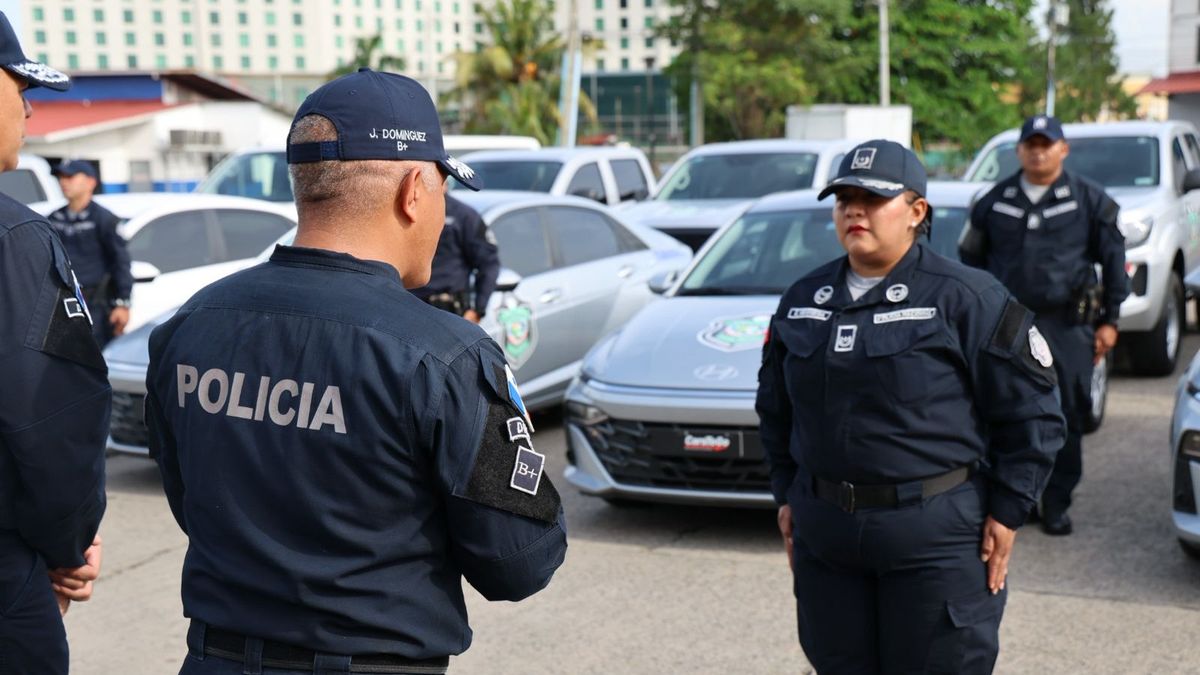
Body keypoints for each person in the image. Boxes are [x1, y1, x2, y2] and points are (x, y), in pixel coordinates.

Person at [145, 68, 567, 675]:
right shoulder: (444, 354)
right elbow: (520, 559)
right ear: (414, 191)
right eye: (444, 190)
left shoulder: (192, 324)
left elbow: (189, 499)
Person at [757, 140, 1065, 673]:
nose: (854, 211)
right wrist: (787, 494)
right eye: (844, 199)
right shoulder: (804, 298)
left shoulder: (967, 297)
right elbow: (776, 409)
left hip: (934, 536)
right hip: (827, 537)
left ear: (917, 211)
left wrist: (1009, 508)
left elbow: (1033, 410)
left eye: (872, 199)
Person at [0, 11, 107, 675]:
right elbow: (50, 420)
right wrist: (68, 548)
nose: (29, 111)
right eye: (20, 89)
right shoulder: (15, 239)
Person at [960, 114, 1128, 536]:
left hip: (1067, 325)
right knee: (1004, 411)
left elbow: (1114, 262)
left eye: (1046, 144)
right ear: (1019, 151)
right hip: (1006, 324)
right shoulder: (993, 200)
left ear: (1063, 149)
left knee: (1065, 414)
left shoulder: (1091, 200)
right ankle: (1016, 501)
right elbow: (969, 260)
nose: (1038, 152)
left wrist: (1110, 320)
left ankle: (1055, 503)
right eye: (1030, 145)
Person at [48, 158, 133, 348]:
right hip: (60, 306)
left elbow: (121, 262)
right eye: (61, 177)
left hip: (96, 307)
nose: (63, 182)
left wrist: (123, 304)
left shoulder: (105, 219)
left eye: (70, 176)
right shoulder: (53, 219)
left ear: (90, 182)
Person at [413, 193, 500, 323]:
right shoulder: (406, 210)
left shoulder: (463, 215)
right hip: (407, 308)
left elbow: (489, 264)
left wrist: (478, 310)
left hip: (449, 312)